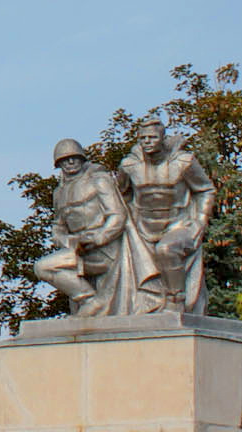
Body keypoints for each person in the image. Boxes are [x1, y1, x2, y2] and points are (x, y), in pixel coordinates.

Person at [115, 115, 217, 315]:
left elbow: (205, 190)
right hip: (143, 227)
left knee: (167, 249)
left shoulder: (184, 162)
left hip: (177, 224)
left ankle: (176, 299)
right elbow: (121, 195)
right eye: (143, 138)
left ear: (162, 138)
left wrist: (200, 221)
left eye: (152, 138)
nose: (147, 142)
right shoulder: (129, 166)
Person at [30, 138, 126, 315]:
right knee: (42, 267)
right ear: (59, 164)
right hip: (78, 250)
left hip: (105, 250)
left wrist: (98, 238)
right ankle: (90, 300)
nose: (71, 162)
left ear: (82, 159)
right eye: (65, 159)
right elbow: (58, 226)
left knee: (44, 266)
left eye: (74, 157)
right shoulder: (59, 193)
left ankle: (92, 301)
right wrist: (67, 241)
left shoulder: (99, 180)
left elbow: (117, 215)